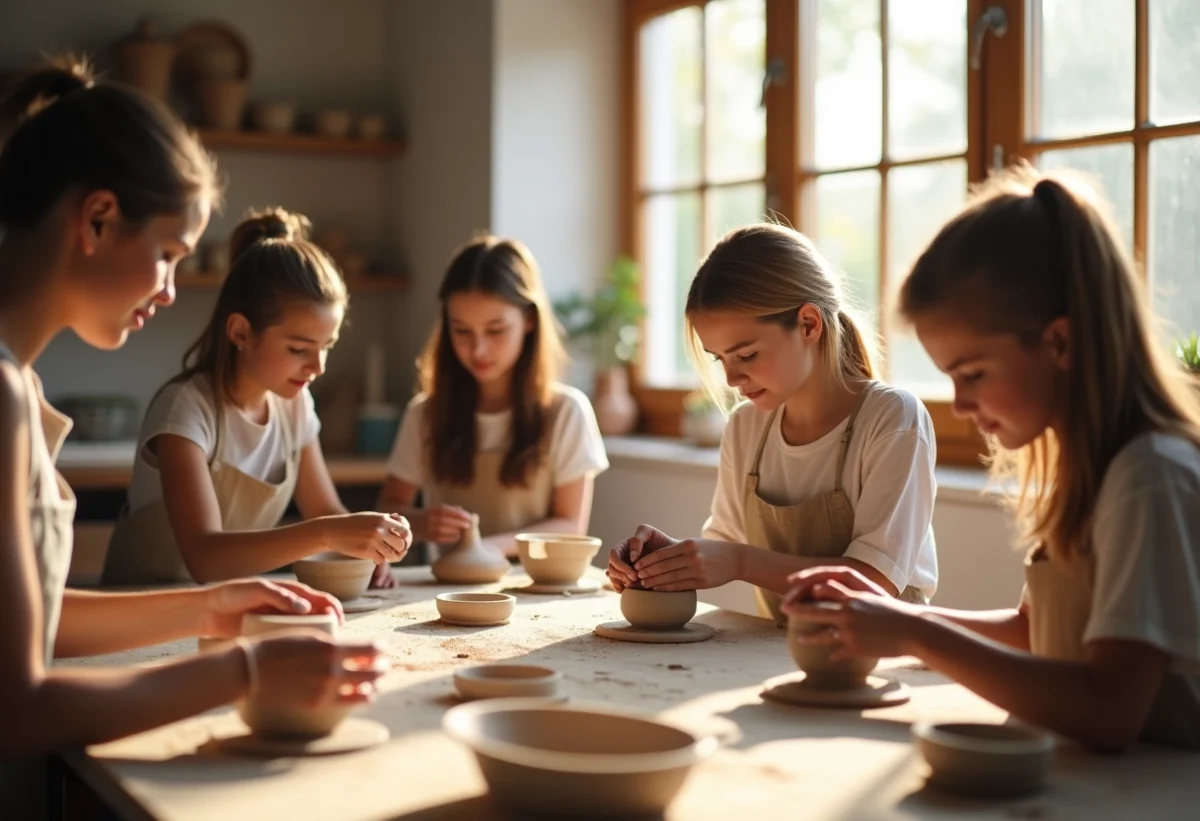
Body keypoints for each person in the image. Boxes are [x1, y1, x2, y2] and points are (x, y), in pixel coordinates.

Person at [0, 59, 384, 811]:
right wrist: (241, 674)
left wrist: (209, 608)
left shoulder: (20, 384)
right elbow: (17, 707)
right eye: (170, 255)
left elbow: (38, 621)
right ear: (98, 217)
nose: (173, 290)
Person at [784, 164, 1200, 751]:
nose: (958, 404)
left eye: (971, 373)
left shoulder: (1149, 475)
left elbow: (1110, 710)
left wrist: (914, 633)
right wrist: (883, 613)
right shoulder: (1088, 465)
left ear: (1059, 342)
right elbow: (1034, 632)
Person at [607, 223, 938, 624]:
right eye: (719, 359)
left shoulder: (892, 418)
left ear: (808, 325)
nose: (731, 379)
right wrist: (663, 560)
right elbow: (725, 544)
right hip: (782, 654)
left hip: (883, 663)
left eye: (745, 355)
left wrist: (739, 561)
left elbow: (872, 581)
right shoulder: (746, 426)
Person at [102, 208, 411, 588]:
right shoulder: (186, 410)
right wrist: (327, 533)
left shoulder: (294, 405)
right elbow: (206, 560)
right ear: (240, 332)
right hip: (140, 620)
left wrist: (368, 546)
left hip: (223, 612)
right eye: (299, 349)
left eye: (325, 347)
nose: (318, 366)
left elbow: (326, 510)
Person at [378, 236, 607, 556]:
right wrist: (418, 522)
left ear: (529, 320)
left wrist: (484, 548)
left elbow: (570, 525)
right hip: (447, 590)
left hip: (533, 587)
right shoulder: (425, 414)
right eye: (461, 331)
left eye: (496, 330)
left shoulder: (567, 412)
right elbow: (389, 507)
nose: (478, 349)